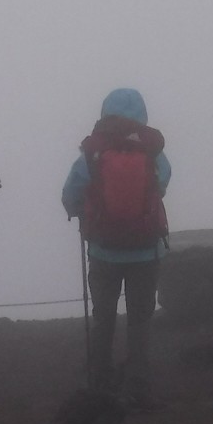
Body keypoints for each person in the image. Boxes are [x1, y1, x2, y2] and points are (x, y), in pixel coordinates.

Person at [61, 89, 170, 404]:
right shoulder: (153, 151)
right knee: (140, 316)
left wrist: (82, 212)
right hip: (146, 249)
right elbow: (162, 182)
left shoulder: (93, 151)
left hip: (103, 249)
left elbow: (71, 191)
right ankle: (137, 381)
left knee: (104, 315)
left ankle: (99, 376)